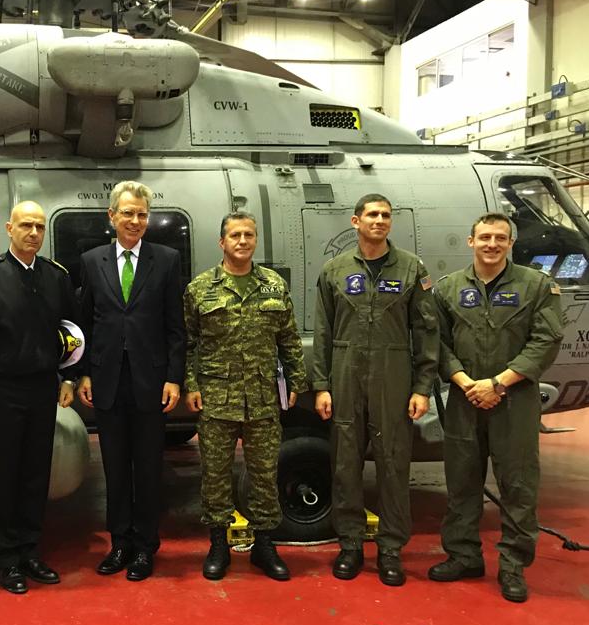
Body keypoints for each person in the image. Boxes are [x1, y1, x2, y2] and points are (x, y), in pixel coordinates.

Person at [428, 213, 563, 603]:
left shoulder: (536, 286)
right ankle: (463, 556)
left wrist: (499, 383)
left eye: (500, 238)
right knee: (461, 481)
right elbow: (438, 343)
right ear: (470, 241)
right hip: (464, 398)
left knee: (518, 485)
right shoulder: (448, 289)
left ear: (510, 243)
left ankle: (513, 566)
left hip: (515, 400)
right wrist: (465, 383)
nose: (492, 244)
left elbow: (546, 340)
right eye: (485, 237)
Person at [0, 201, 78, 594]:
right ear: (9, 228)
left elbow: (71, 332)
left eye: (39, 226)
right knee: (4, 474)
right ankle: (7, 557)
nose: (33, 233)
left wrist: (69, 377)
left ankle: (30, 550)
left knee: (37, 473)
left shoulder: (56, 277)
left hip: (42, 388)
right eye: (25, 225)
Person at [312, 193, 439, 586]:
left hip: (393, 375)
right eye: (372, 214)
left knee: (394, 463)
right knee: (345, 464)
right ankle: (350, 544)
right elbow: (322, 331)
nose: (380, 220)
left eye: (386, 215)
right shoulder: (334, 270)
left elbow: (426, 331)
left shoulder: (411, 268)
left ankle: (390, 549)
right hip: (345, 373)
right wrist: (321, 385)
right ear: (356, 221)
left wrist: (422, 387)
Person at [184, 212, 306, 581]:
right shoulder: (200, 288)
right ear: (222, 242)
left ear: (255, 240)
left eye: (248, 235)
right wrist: (191, 384)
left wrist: (297, 380)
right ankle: (218, 544)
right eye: (235, 235)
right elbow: (187, 343)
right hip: (217, 398)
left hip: (263, 398)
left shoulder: (273, 285)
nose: (242, 241)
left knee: (264, 475)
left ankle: (264, 546)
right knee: (215, 475)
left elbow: (289, 338)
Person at [76, 181, 184, 581]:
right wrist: (83, 372)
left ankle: (145, 546)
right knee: (115, 468)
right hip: (107, 381)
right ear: (112, 216)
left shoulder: (167, 260)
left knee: (148, 468)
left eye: (142, 214)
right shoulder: (91, 261)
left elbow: (175, 327)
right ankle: (120, 543)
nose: (135, 220)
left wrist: (174, 378)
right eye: (128, 213)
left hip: (151, 382)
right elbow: (84, 324)